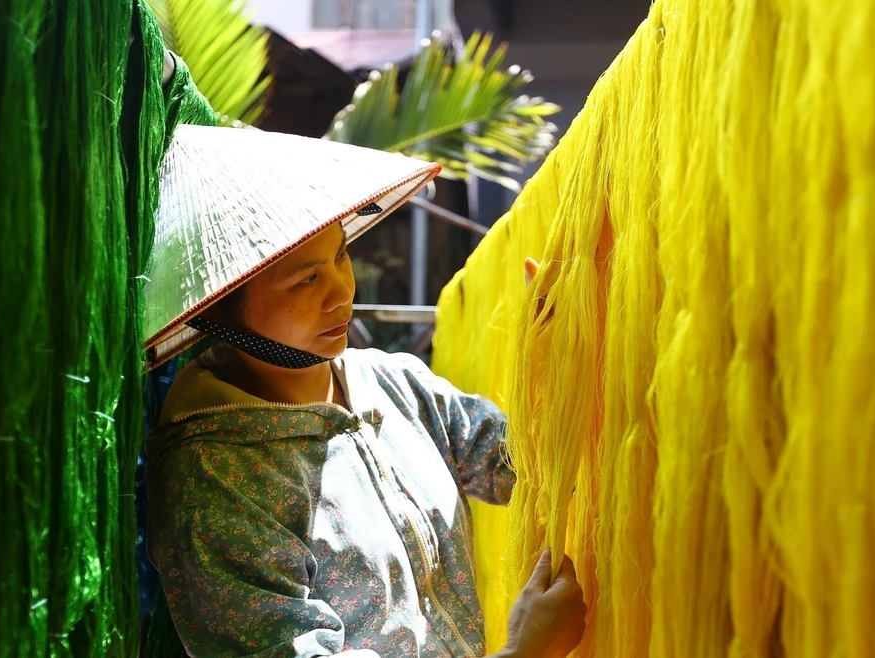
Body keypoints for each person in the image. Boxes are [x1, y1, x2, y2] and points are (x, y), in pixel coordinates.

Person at [143, 124, 586, 657]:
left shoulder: (394, 384)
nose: (342, 293)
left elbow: (517, 468)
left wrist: (556, 356)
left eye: (341, 257)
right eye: (305, 280)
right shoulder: (216, 478)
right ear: (219, 308)